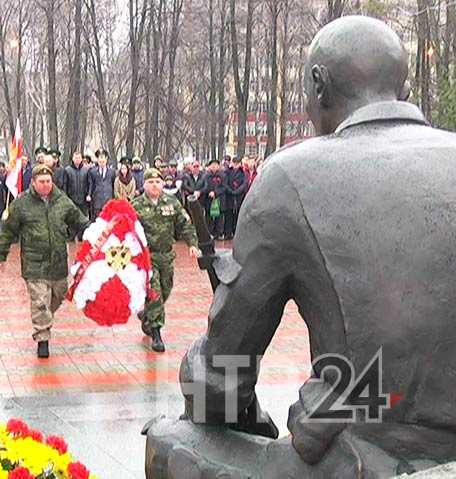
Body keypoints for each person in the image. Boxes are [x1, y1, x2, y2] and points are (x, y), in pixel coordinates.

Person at [147, 16, 456, 478]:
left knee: (167, 441)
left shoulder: (291, 176)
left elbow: (221, 378)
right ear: (404, 89)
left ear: (319, 85)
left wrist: (340, 404)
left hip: (364, 460)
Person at [0, 164, 90, 358]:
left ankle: (45, 317)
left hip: (58, 263)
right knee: (39, 301)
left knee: (59, 294)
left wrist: (95, 231)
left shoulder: (62, 200)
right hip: (34, 263)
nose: (46, 185)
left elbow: (79, 220)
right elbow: (8, 230)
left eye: (48, 181)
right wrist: (1, 254)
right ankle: (42, 337)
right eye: (42, 182)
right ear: (33, 182)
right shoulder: (22, 204)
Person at [131, 168, 200, 352]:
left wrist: (192, 243)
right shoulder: (136, 205)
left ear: (163, 184)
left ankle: (147, 315)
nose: (154, 185)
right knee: (155, 293)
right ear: (144, 185)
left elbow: (184, 224)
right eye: (150, 182)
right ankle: (156, 333)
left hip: (167, 256)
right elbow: (126, 229)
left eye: (158, 182)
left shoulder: (172, 202)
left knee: (166, 290)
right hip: (147, 257)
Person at [224, 156, 249, 240]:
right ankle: (228, 233)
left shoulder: (243, 173)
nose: (235, 165)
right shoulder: (227, 172)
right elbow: (225, 183)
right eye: (234, 163)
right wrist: (230, 191)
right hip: (229, 197)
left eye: (237, 163)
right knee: (229, 216)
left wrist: (237, 191)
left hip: (239, 197)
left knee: (237, 215)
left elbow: (245, 183)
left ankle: (236, 232)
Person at [86, 149, 115, 219]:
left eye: (103, 161)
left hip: (108, 200)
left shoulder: (112, 172)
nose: (101, 163)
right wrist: (89, 195)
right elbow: (91, 184)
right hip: (97, 201)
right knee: (97, 220)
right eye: (100, 161)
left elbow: (113, 184)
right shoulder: (92, 172)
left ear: (106, 160)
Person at [202, 158, 226, 239]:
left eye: (216, 165)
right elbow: (204, 186)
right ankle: (210, 232)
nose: (214, 167)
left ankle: (219, 233)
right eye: (212, 165)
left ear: (218, 166)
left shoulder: (223, 175)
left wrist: (215, 192)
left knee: (219, 217)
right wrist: (209, 192)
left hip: (220, 199)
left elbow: (224, 187)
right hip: (209, 199)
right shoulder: (206, 176)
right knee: (209, 217)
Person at [63, 151, 90, 224]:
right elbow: (65, 185)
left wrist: (88, 194)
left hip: (83, 201)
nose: (77, 159)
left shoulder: (86, 170)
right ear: (72, 159)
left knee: (83, 221)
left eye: (79, 158)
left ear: (81, 159)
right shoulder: (67, 170)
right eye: (76, 158)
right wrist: (66, 198)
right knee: (72, 221)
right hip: (72, 200)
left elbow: (89, 184)